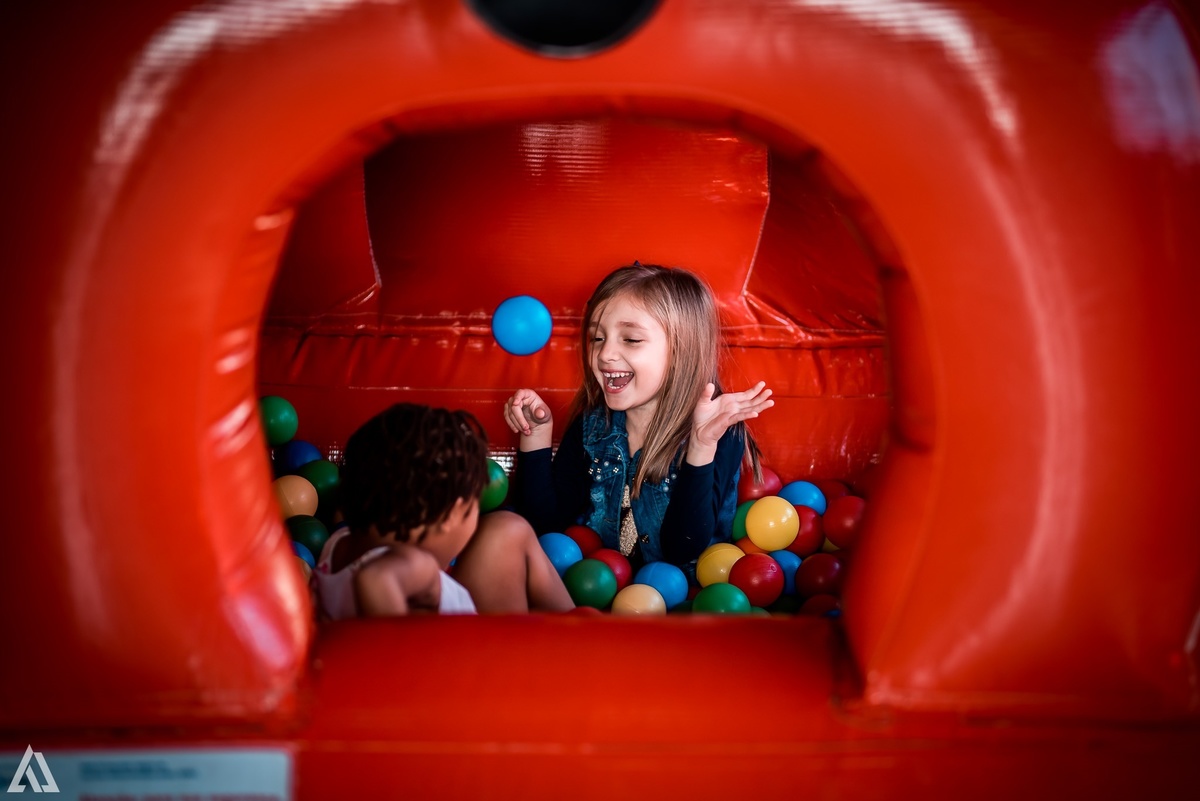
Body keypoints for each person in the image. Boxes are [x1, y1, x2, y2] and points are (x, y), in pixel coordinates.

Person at [504, 263, 773, 572]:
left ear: (681, 350)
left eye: (630, 339)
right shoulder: (593, 427)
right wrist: (535, 435)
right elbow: (544, 522)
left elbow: (682, 548)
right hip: (593, 587)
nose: (605, 355)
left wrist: (700, 447)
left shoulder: (721, 432)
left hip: (684, 601)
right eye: (597, 338)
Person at [312, 403, 575, 617]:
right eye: (473, 509)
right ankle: (584, 640)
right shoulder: (415, 564)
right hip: (476, 671)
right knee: (509, 529)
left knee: (508, 527)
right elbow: (376, 578)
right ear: (453, 514)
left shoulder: (339, 545)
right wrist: (396, 663)